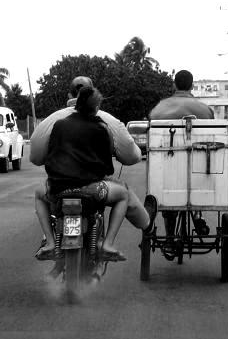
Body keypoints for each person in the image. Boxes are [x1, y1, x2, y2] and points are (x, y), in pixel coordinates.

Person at [30, 77, 155, 260]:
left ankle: (49, 241)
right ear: (96, 107)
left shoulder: (57, 123)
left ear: (73, 100)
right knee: (123, 195)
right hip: (92, 189)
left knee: (38, 194)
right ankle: (109, 244)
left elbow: (44, 157)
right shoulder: (103, 126)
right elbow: (108, 165)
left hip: (58, 188)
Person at [148, 69, 214, 238]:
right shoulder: (205, 110)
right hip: (198, 165)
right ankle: (198, 215)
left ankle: (170, 236)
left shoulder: (159, 109)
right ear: (192, 86)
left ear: (174, 85)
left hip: (168, 164)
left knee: (169, 184)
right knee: (198, 178)